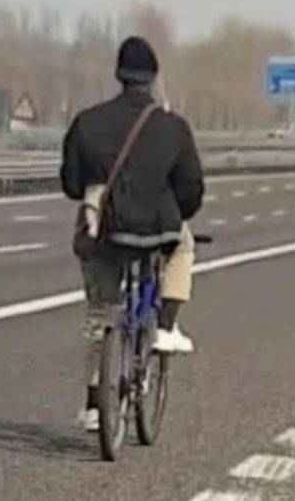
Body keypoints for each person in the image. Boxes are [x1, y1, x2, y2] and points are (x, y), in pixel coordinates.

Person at [60, 36, 204, 430]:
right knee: (184, 246)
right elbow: (191, 188)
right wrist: (177, 213)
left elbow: (72, 184)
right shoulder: (172, 127)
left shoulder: (87, 122)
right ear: (153, 78)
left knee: (100, 313)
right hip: (157, 232)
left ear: (118, 75)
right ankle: (166, 327)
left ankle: (94, 405)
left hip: (105, 232)